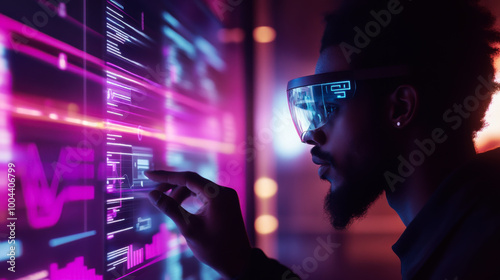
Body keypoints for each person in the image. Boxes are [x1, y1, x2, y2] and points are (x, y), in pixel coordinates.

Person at [145, 0, 500, 279]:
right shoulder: (466, 230)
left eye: (329, 104)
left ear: (400, 107)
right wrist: (242, 264)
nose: (312, 135)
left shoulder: (479, 255)